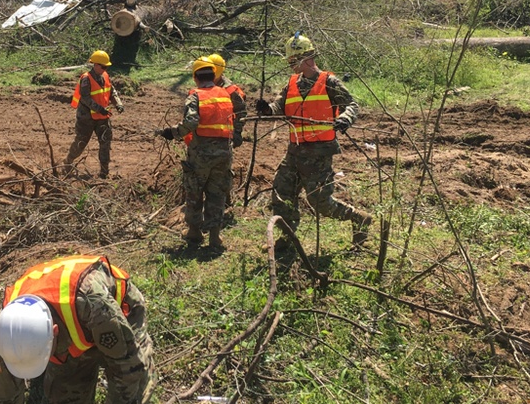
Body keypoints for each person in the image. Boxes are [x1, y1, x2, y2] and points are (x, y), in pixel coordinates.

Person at [0, 254, 165, 404]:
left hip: (121, 319)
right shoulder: (5, 335)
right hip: (72, 333)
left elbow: (129, 370)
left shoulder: (94, 303)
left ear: (54, 332)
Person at [255, 33, 372, 247]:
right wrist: (266, 109)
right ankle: (287, 237)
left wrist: (345, 119)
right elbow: (279, 106)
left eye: (293, 60)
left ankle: (359, 218)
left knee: (319, 203)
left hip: (320, 152)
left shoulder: (329, 81)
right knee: (282, 192)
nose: (290, 65)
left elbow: (352, 105)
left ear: (306, 58)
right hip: (295, 150)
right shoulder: (291, 83)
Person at [157, 57, 245, 249]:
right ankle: (215, 236)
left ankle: (195, 232)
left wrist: (172, 133)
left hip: (201, 153)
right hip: (224, 153)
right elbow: (238, 115)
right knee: (217, 193)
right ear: (214, 76)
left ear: (195, 77)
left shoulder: (195, 95)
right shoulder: (225, 94)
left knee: (194, 191)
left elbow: (191, 122)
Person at [63, 50, 124, 179]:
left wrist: (118, 103)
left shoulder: (105, 76)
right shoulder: (86, 79)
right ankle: (68, 162)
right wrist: (99, 109)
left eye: (106, 67)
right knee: (81, 143)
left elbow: (112, 91)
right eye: (103, 66)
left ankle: (104, 172)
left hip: (102, 117)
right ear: (95, 65)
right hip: (87, 118)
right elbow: (85, 98)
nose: (105, 69)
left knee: (105, 143)